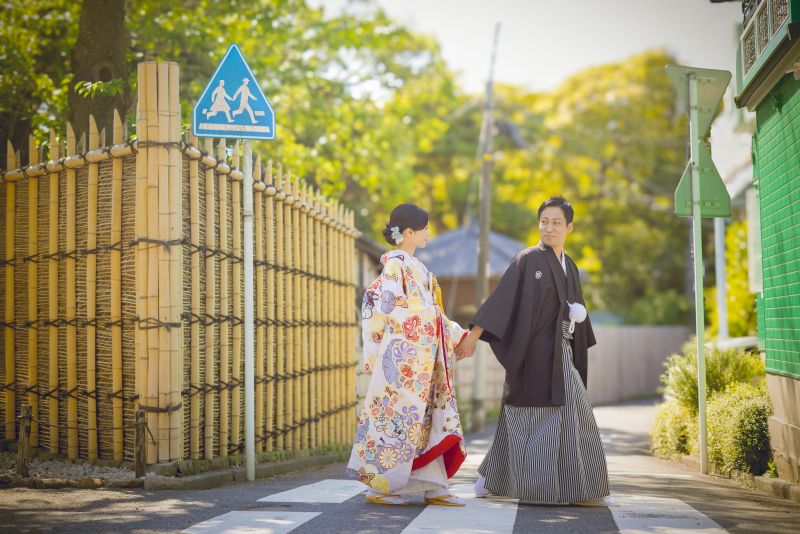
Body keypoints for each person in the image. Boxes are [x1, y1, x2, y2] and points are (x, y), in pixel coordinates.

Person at [455, 196, 617, 507]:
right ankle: (540, 488)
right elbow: (501, 301)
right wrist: (473, 336)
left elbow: (570, 308)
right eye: (544, 221)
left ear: (569, 226)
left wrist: (576, 314)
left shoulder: (569, 265)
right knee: (539, 415)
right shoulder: (528, 259)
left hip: (561, 352)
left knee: (568, 412)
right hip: (533, 353)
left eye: (556, 222)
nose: (549, 227)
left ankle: (491, 480)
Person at [346, 203, 471, 506]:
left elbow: (434, 313)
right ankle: (379, 487)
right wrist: (434, 316)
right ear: (409, 232)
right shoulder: (395, 263)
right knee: (398, 420)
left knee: (425, 420)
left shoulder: (419, 268)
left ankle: (434, 484)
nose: (429, 232)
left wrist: (456, 334)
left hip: (420, 358)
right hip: (402, 362)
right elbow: (389, 304)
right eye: (425, 228)